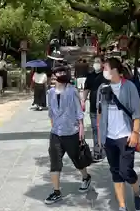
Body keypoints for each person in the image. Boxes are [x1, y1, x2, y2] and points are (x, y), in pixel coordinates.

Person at [97, 57, 140, 211]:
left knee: (126, 171)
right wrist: (100, 137)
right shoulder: (102, 88)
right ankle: (122, 206)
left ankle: (137, 191)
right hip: (109, 137)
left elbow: (137, 112)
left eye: (105, 68)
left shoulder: (129, 87)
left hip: (126, 136)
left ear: (115, 70)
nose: (103, 71)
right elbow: (99, 114)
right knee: (115, 172)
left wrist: (135, 132)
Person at [45, 65, 92, 205]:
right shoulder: (50, 93)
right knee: (55, 162)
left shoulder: (72, 91)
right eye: (58, 71)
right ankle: (56, 191)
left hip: (72, 132)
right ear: (53, 75)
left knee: (77, 159)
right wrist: (54, 126)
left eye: (63, 71)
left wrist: (81, 129)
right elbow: (51, 113)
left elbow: (79, 112)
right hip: (56, 133)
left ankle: (86, 177)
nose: (61, 73)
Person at [82, 55, 108, 161]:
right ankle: (97, 150)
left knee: (103, 128)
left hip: (105, 107)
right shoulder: (90, 76)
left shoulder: (106, 76)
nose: (96, 63)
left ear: (102, 64)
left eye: (98, 61)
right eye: (95, 61)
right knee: (94, 129)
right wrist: (83, 100)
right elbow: (86, 89)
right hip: (93, 106)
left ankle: (104, 148)